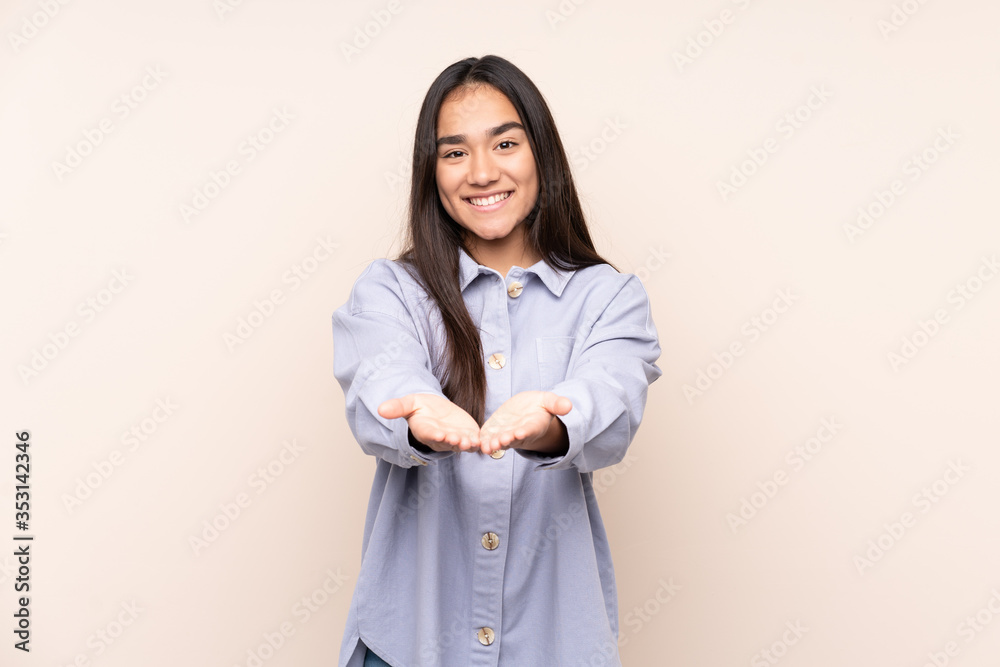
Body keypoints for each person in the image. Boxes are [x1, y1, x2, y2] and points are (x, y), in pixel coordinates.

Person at [331, 54, 662, 667]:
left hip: (553, 645)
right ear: (431, 171)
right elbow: (379, 374)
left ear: (542, 155)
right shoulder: (390, 291)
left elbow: (610, 393)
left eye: (505, 144)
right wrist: (419, 413)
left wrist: (555, 419)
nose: (482, 173)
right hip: (407, 645)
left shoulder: (609, 298)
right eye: (455, 152)